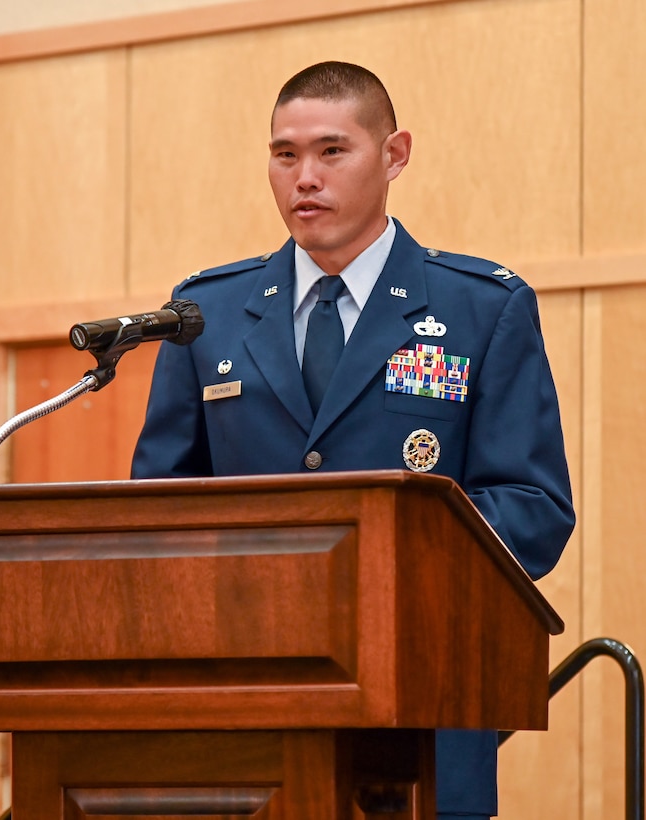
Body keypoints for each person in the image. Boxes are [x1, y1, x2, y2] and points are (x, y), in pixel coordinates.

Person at [131, 60, 574, 819]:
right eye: (285, 155)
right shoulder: (208, 314)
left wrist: (377, 555)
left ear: (394, 154)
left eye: (333, 151)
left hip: (421, 711)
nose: (306, 177)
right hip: (248, 710)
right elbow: (157, 508)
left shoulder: (480, 309)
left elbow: (533, 511)